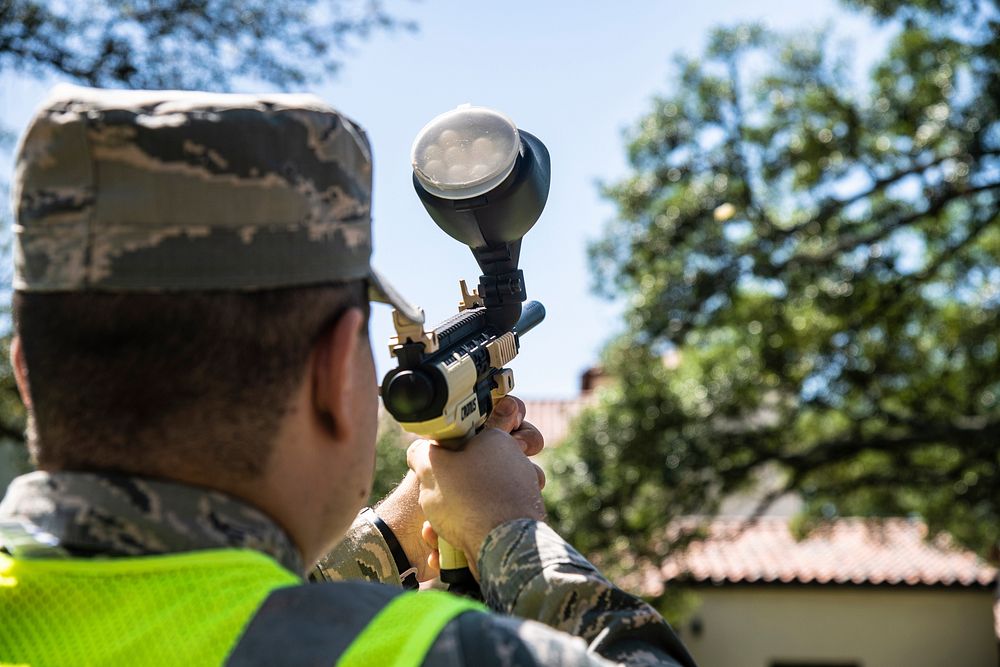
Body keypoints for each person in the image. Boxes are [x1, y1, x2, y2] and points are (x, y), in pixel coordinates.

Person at [0, 85, 696, 667]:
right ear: (335, 373)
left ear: (26, 371)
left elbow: (183, 605)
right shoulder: (428, 652)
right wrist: (509, 535)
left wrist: (399, 524)